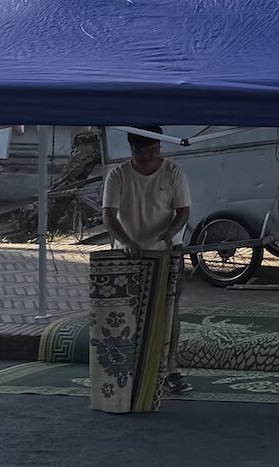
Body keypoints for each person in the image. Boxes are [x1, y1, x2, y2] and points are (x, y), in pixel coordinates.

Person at [101, 127, 191, 399]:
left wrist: (169, 233)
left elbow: (184, 211)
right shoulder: (118, 176)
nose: (147, 157)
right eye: (141, 152)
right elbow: (109, 216)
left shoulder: (173, 172)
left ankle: (170, 368)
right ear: (131, 150)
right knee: (128, 312)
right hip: (130, 253)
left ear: (159, 147)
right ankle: (131, 366)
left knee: (169, 311)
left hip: (167, 250)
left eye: (152, 151)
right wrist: (127, 241)